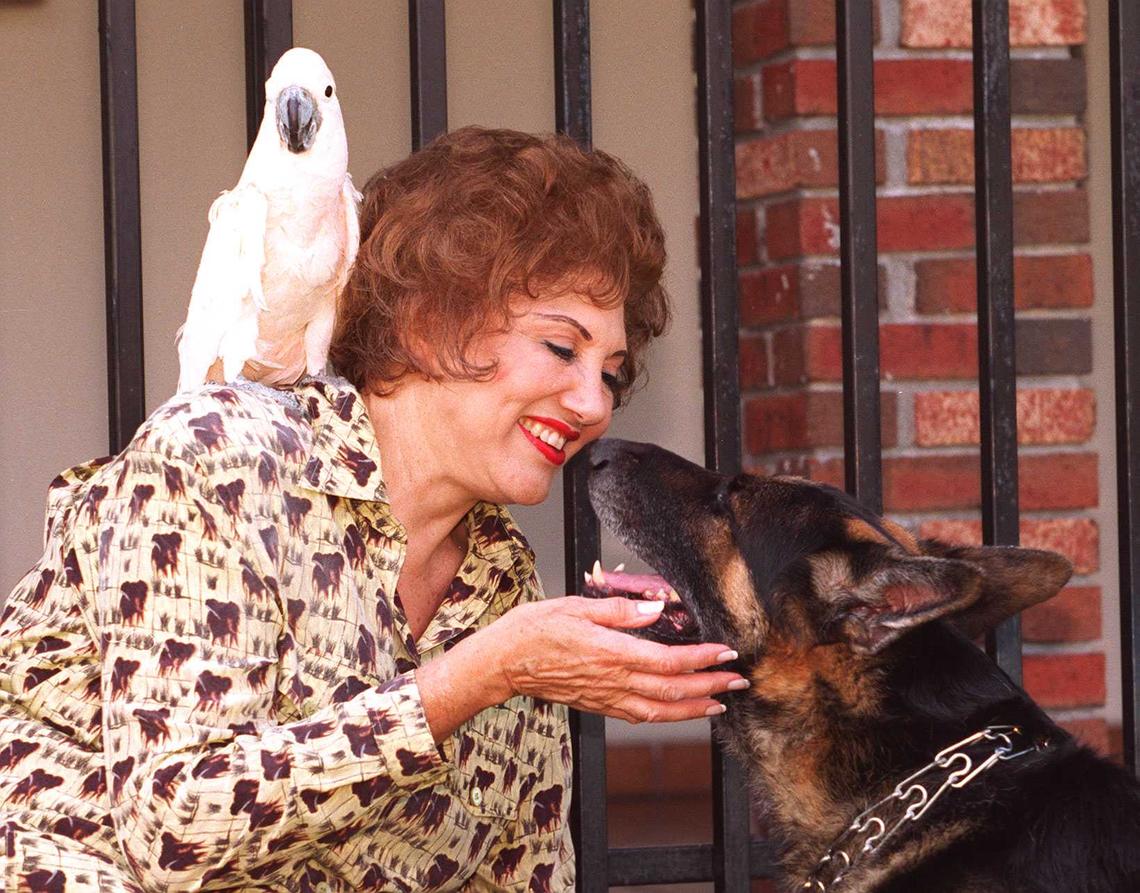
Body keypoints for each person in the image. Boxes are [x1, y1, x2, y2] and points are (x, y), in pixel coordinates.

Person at [0, 126, 747, 893]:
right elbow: (178, 824)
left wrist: (499, 663)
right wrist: (473, 678)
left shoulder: (505, 593)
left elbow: (524, 871)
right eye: (562, 349)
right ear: (427, 322)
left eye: (612, 375)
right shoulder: (223, 458)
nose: (593, 403)